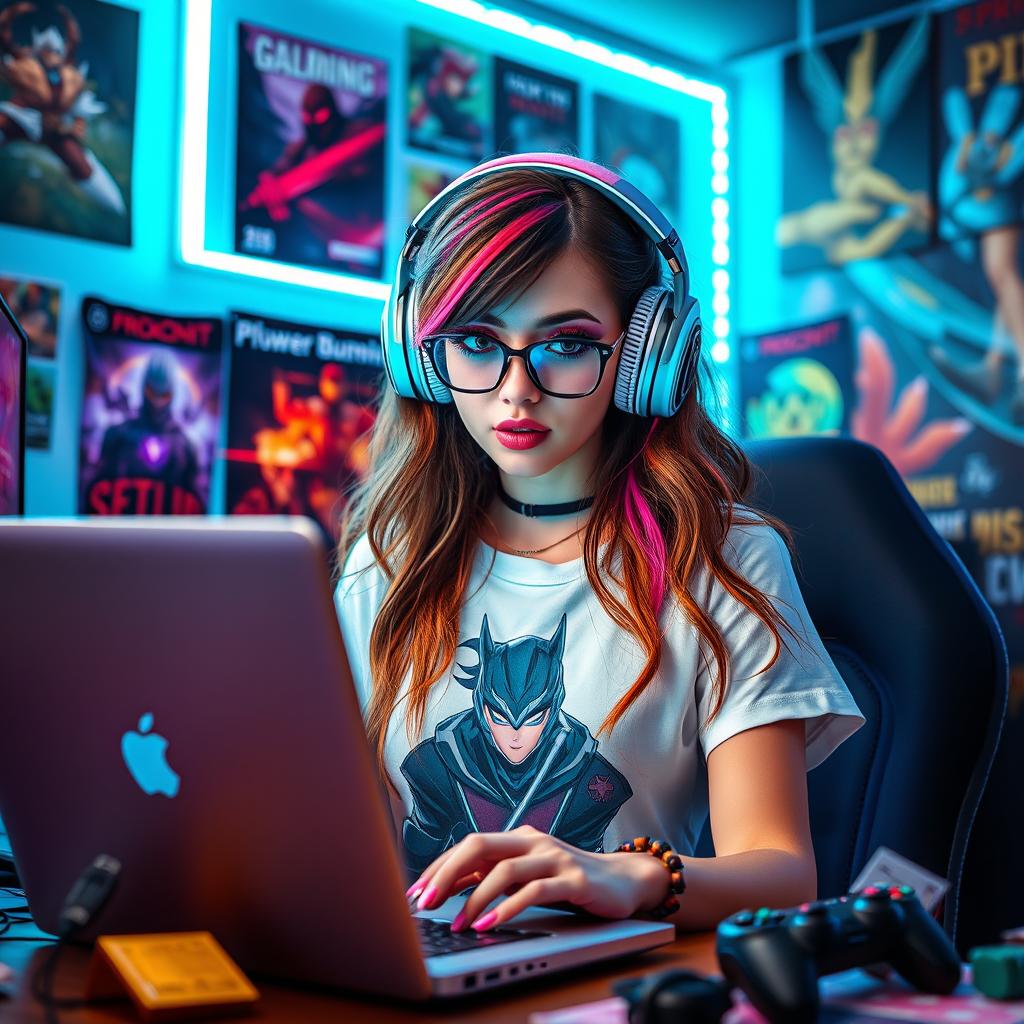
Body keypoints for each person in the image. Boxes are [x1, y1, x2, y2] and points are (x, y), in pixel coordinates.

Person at [333, 153, 864, 935]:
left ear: (647, 355)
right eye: (477, 341)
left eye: (566, 344)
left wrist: (626, 876)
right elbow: (352, 841)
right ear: (422, 354)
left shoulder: (722, 561)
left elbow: (782, 872)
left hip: (615, 986)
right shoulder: (386, 563)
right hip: (426, 974)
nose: (516, 390)